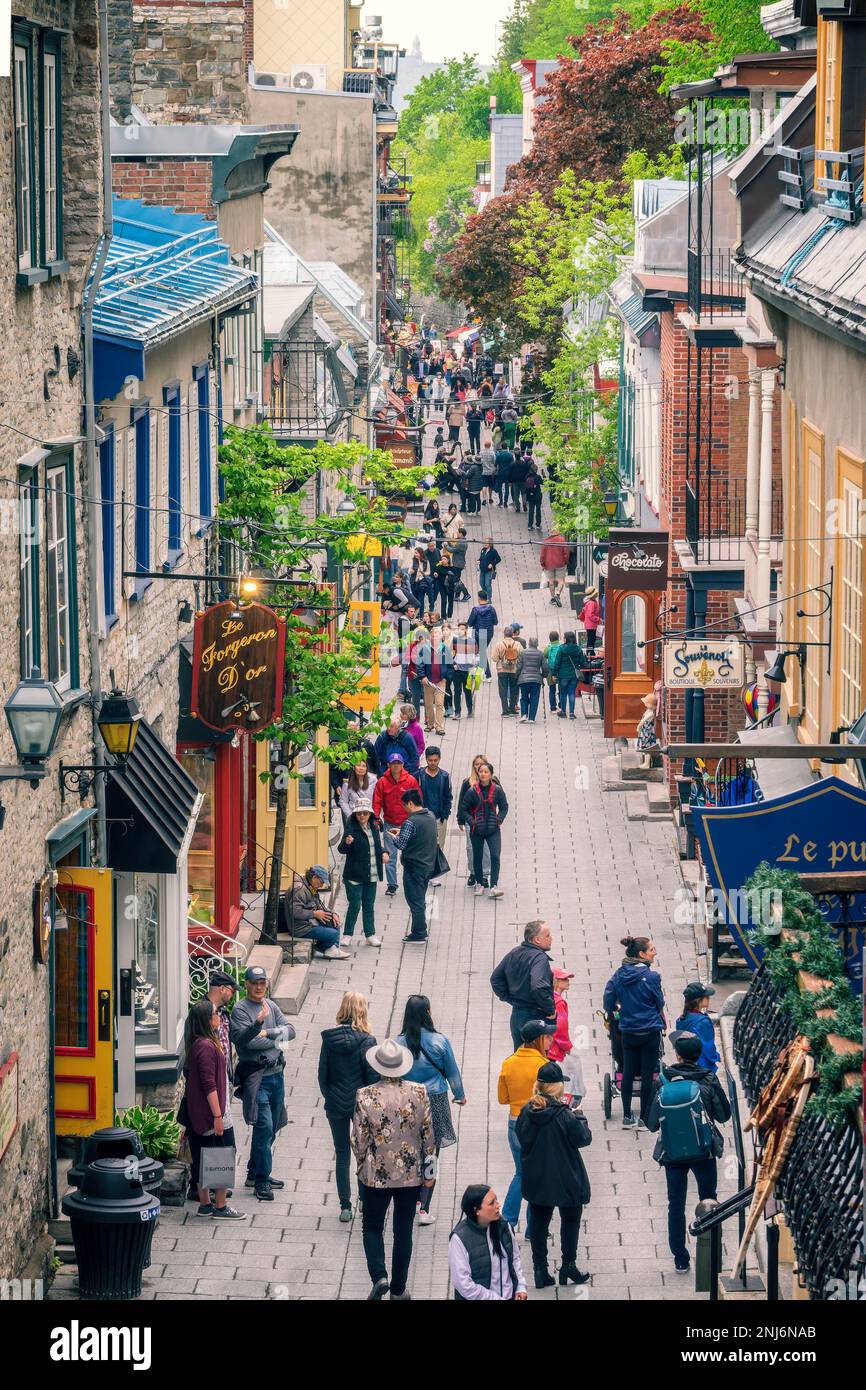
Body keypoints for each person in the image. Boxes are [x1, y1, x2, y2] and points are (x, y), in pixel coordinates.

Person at [351, 1038, 436, 1300]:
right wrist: (430, 1173)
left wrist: (360, 1164)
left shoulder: (365, 1095)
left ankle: (380, 1277)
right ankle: (399, 1288)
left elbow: (359, 1139)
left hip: (376, 1174)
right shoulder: (420, 1092)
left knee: (373, 1226)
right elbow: (428, 1136)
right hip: (410, 1176)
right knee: (403, 1230)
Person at [646, 1030, 732, 1273]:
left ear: (678, 1055)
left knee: (676, 1204)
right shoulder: (708, 1079)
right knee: (709, 1200)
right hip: (703, 1150)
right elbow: (725, 1114)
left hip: (673, 1153)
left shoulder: (663, 1080)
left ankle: (680, 1259)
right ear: (698, 1055)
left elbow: (651, 1123)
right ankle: (712, 1253)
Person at [516, 1062, 592, 1288]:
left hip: (538, 1177)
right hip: (567, 1176)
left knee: (539, 1221)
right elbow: (584, 1139)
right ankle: (568, 1265)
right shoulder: (566, 1115)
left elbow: (521, 1138)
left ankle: (540, 1269)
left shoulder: (526, 1112)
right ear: (557, 1087)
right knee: (570, 1220)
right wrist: (580, 1116)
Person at [397, 995, 466, 1223]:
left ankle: (408, 1197)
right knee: (431, 1155)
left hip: (407, 1101)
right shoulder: (439, 1041)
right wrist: (460, 1095)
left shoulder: (397, 1043)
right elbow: (452, 1071)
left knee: (410, 1150)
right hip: (435, 1100)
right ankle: (423, 1206)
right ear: (428, 1012)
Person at [230, 964, 294, 1201]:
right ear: (246, 984)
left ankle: (254, 1171)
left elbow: (292, 1031)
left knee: (274, 1125)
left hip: (277, 1075)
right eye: (254, 983)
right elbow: (247, 1043)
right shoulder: (240, 1011)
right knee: (263, 1126)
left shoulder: (272, 1006)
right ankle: (262, 1181)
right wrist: (275, 1038)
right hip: (257, 1079)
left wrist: (267, 1034)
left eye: (262, 983)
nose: (259, 987)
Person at [183, 999, 246, 1219]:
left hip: (197, 1116)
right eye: (215, 1013)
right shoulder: (207, 1047)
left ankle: (205, 1204)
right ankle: (220, 1206)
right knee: (222, 1156)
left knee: (201, 1157)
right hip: (213, 1115)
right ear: (206, 1020)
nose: (218, 1016)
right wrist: (218, 1115)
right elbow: (209, 1085)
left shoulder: (196, 1044)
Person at [318, 992, 378, 1221]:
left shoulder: (329, 1040)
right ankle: (363, 1198)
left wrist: (331, 1096)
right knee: (364, 1153)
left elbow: (323, 1075)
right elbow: (372, 1078)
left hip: (335, 1105)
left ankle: (345, 1205)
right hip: (360, 1106)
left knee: (342, 1153)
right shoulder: (367, 1041)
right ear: (362, 1011)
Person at [603, 935, 666, 1129]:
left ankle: (627, 1115)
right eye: (652, 950)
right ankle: (645, 1116)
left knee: (628, 1071)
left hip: (628, 1031)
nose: (654, 952)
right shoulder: (652, 977)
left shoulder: (619, 975)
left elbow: (608, 1000)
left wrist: (618, 1008)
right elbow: (659, 1002)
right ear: (642, 954)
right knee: (648, 1074)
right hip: (649, 1031)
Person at [497, 1019, 554, 1234]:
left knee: (521, 1173)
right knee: (538, 1174)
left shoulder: (509, 1062)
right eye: (547, 1036)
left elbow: (503, 1098)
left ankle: (509, 1223)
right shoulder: (544, 1066)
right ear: (539, 1040)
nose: (550, 1040)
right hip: (538, 1123)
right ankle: (534, 1228)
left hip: (515, 1122)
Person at [449, 1185, 528, 1300]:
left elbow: (514, 1258)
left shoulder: (503, 1226)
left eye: (496, 1200)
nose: (498, 1205)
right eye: (491, 1203)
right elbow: (464, 1285)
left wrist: (520, 1286)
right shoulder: (459, 1239)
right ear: (477, 1210)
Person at [491, 921, 556, 1050]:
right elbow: (538, 985)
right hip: (536, 1016)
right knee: (537, 1059)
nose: (551, 938)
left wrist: (510, 999)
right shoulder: (540, 958)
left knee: (520, 1055)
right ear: (537, 939)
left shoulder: (514, 952)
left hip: (517, 1015)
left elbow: (496, 979)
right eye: (548, 935)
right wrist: (550, 1008)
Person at [337, 801, 386, 949]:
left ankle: (370, 935)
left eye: (365, 813)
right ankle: (347, 934)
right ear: (355, 815)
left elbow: (377, 846)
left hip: (371, 873)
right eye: (359, 813)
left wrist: (384, 853)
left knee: (369, 905)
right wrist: (347, 842)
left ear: (370, 814)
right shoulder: (351, 829)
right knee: (355, 904)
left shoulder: (374, 827)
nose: (362, 816)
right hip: (354, 875)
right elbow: (341, 849)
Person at [372, 751, 420, 895]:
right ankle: (392, 884)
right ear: (388, 765)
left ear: (403, 764)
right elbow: (377, 801)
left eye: (398, 763)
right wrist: (375, 817)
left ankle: (410, 882)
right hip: (390, 823)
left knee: (409, 855)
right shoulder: (382, 781)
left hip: (408, 824)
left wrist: (418, 818)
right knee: (390, 856)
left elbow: (418, 800)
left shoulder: (410, 780)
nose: (396, 766)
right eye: (393, 763)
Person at [396, 787, 439, 944]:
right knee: (420, 898)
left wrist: (395, 836)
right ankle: (420, 929)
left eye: (405, 806)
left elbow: (401, 844)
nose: (405, 809)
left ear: (410, 803)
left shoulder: (410, 821)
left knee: (415, 900)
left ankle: (419, 932)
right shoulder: (431, 816)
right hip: (428, 865)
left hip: (414, 867)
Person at [460, 759, 508, 899]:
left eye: (486, 772)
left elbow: (504, 807)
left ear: (491, 774)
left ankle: (493, 885)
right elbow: (464, 809)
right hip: (477, 830)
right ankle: (480, 883)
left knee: (494, 855)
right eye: (481, 771)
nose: (483, 774)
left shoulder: (497, 790)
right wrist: (472, 822)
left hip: (493, 829)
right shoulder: (472, 791)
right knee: (478, 856)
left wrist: (499, 820)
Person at [284, 866, 348, 959]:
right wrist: (314, 914)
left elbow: (320, 905)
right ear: (314, 877)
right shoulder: (300, 889)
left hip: (311, 922)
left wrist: (333, 914)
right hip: (301, 928)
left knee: (335, 923)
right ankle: (327, 948)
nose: (321, 886)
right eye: (321, 882)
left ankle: (331, 949)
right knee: (333, 934)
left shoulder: (309, 887)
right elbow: (295, 912)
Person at [456, 752, 493, 887]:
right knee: (471, 848)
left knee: (486, 848)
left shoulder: (493, 782)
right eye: (476, 764)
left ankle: (484, 874)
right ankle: (473, 872)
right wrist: (460, 819)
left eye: (481, 764)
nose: (479, 767)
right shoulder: (467, 783)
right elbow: (461, 803)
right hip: (470, 821)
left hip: (487, 820)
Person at [675, 982, 720, 1073]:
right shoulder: (703, 1022)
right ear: (698, 1000)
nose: (708, 999)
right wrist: (716, 1056)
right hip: (703, 1067)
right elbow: (708, 1047)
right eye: (706, 997)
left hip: (686, 1065)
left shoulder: (680, 1020)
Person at [418, 745, 453, 854]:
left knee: (439, 847)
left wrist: (446, 814)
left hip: (440, 817)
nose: (433, 763)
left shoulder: (445, 776)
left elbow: (448, 796)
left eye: (435, 760)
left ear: (439, 759)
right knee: (424, 845)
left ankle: (437, 870)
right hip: (424, 818)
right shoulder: (419, 775)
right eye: (430, 760)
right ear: (426, 759)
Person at [415, 627, 449, 736]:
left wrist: (446, 677)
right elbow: (419, 664)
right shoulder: (425, 649)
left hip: (440, 681)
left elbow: (450, 666)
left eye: (437, 635)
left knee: (439, 704)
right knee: (429, 704)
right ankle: (430, 724)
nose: (435, 637)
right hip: (428, 681)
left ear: (441, 637)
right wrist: (422, 676)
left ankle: (439, 727)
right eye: (433, 635)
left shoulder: (445, 649)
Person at [552, 631, 589, 720]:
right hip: (573, 675)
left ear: (567, 639)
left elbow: (557, 662)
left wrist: (554, 674)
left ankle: (563, 712)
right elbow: (583, 663)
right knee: (572, 693)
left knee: (563, 693)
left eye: (564, 637)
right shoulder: (578, 649)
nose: (563, 639)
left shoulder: (561, 649)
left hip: (563, 675)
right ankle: (572, 713)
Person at [489, 626, 523, 717]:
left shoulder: (499, 644)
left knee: (503, 690)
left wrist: (501, 659)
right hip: (514, 670)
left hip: (502, 670)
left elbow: (494, 658)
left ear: (504, 634)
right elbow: (521, 657)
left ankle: (505, 710)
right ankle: (512, 709)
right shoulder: (517, 644)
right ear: (512, 634)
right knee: (514, 690)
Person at [450, 620, 478, 719]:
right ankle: (457, 712)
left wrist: (474, 667)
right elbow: (451, 654)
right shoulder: (454, 640)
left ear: (466, 630)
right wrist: (453, 664)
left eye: (462, 629)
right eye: (459, 629)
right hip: (457, 670)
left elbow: (476, 655)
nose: (460, 631)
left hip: (468, 670)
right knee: (457, 691)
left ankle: (470, 710)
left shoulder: (472, 641)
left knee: (467, 691)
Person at [467, 589, 498, 677]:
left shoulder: (475, 610)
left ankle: (487, 675)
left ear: (479, 598)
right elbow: (496, 622)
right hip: (488, 634)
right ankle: (481, 670)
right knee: (481, 652)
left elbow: (469, 623)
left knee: (481, 653)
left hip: (478, 634)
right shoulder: (491, 609)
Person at [517, 635, 544, 723]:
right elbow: (545, 667)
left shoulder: (523, 652)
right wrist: (543, 676)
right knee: (534, 698)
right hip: (536, 680)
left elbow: (519, 666)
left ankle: (524, 715)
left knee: (524, 697)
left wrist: (517, 676)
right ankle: (532, 718)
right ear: (537, 644)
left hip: (524, 679)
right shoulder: (541, 653)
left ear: (529, 643)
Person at [539, 531, 572, 607]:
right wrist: (565, 561)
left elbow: (542, 556)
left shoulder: (546, 542)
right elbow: (566, 552)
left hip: (548, 564)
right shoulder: (562, 540)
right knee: (561, 580)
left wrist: (543, 564)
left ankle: (553, 597)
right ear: (558, 533)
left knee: (551, 581)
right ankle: (558, 594)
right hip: (560, 563)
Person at [543, 630, 562, 713]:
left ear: (550, 638)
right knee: (561, 688)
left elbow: (544, 657)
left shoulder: (548, 647)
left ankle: (553, 708)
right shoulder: (561, 646)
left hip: (551, 670)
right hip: (560, 669)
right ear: (558, 637)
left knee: (552, 689)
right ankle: (561, 705)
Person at [578, 585, 601, 652]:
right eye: (596, 593)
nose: (597, 594)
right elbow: (590, 615)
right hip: (591, 625)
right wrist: (598, 619)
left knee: (592, 639)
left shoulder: (592, 602)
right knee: (591, 640)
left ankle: (590, 653)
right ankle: (590, 653)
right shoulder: (591, 603)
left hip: (591, 625)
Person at [524, 461, 543, 531]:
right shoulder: (538, 477)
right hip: (537, 495)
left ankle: (530, 525)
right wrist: (543, 475)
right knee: (538, 510)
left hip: (530, 496)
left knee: (531, 511)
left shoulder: (527, 476)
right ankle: (538, 524)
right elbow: (544, 483)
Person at [479, 437, 498, 504]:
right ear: (490, 446)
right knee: (490, 485)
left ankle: (484, 498)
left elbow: (479, 461)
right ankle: (490, 497)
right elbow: (494, 462)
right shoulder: (492, 453)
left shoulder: (481, 453)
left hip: (483, 471)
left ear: (484, 445)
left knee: (484, 485)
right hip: (490, 472)